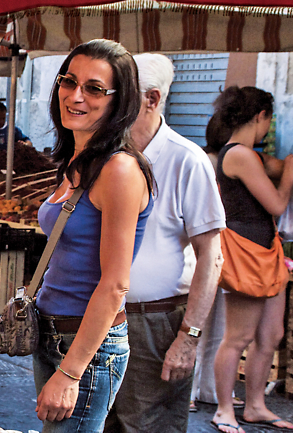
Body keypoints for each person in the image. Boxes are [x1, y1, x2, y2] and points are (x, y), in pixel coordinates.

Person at [28, 39, 154, 433]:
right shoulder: (76, 160)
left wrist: (70, 373)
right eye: (69, 81)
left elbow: (115, 284)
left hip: (86, 347)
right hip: (53, 332)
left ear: (120, 100)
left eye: (94, 89)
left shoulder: (119, 170)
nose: (75, 95)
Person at [103, 54, 226, 433]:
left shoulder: (186, 160)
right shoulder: (105, 153)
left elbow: (212, 256)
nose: (108, 105)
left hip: (152, 323)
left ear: (152, 100)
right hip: (99, 315)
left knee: (146, 425)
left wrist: (188, 338)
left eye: (118, 95)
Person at [205, 86, 293, 433]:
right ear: (261, 116)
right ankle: (225, 409)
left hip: (268, 252)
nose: (267, 128)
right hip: (246, 254)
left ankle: (256, 406)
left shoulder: (253, 156)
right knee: (238, 338)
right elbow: (276, 203)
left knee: (271, 336)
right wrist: (287, 175)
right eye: (268, 121)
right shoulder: (239, 155)